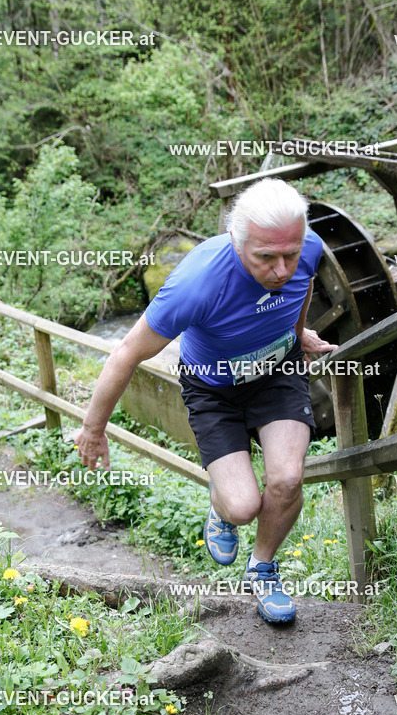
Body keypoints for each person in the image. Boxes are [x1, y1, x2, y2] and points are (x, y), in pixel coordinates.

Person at [73, 177, 336, 623]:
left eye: (290, 254)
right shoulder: (197, 282)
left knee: (288, 478)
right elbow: (126, 354)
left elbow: (303, 285)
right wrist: (93, 429)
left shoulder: (307, 247)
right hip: (214, 388)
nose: (281, 270)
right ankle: (221, 506)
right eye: (265, 257)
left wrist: (297, 332)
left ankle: (262, 568)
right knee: (242, 506)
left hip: (277, 370)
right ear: (236, 239)